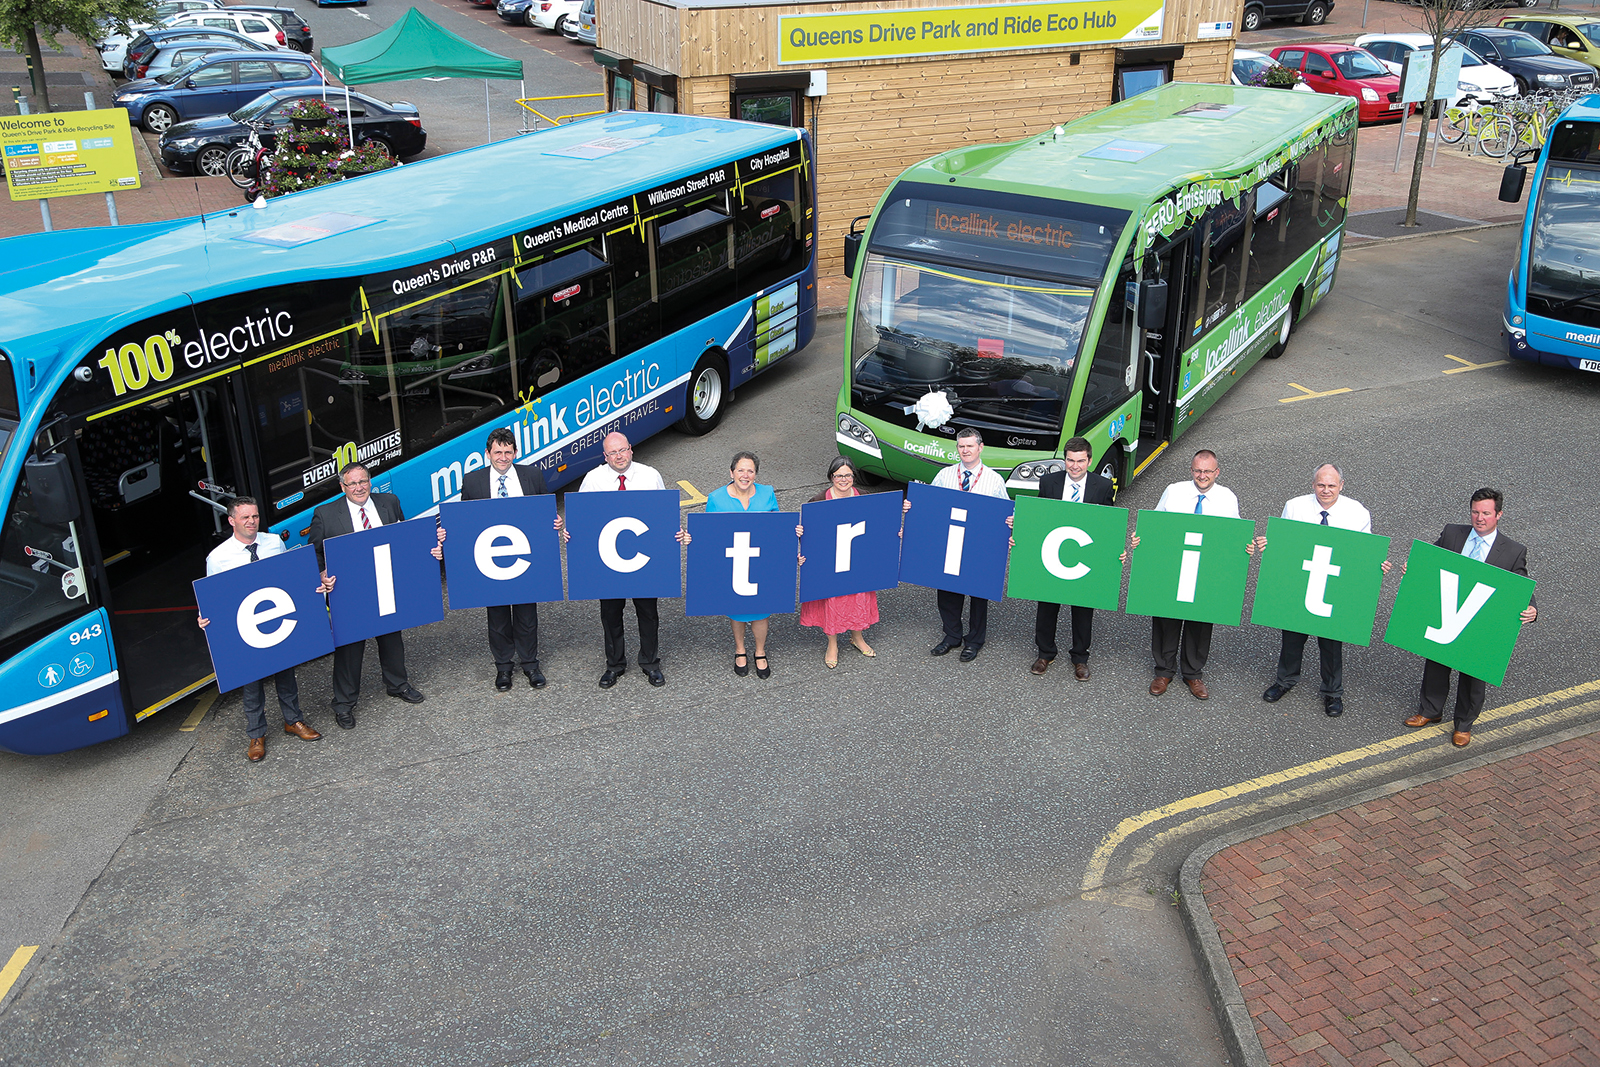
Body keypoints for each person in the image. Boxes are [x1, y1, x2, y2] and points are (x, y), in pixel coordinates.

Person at [308, 462, 443, 729]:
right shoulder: (325, 514)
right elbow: (314, 553)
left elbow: (405, 538)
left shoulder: (389, 502)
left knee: (392, 637)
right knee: (349, 648)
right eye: (352, 484)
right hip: (349, 591)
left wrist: (430, 550)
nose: (359, 488)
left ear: (370, 481)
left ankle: (397, 684)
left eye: (363, 481)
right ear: (342, 486)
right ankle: (344, 704)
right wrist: (321, 574)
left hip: (385, 583)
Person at [197, 497, 330, 762]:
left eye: (255, 516)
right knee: (251, 683)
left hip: (276, 617)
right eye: (245, 517)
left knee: (286, 673)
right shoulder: (218, 558)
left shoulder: (273, 542)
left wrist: (311, 588)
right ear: (231, 520)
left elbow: (288, 577)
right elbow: (214, 598)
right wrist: (205, 618)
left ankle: (294, 721)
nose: (251, 522)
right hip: (245, 627)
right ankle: (256, 734)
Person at [1404, 488, 1537, 748]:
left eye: (1486, 513)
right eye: (1475, 512)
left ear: (1499, 514)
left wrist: (1532, 608)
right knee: (1436, 662)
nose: (1479, 518)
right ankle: (1431, 710)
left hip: (1481, 619)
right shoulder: (1453, 533)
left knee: (1473, 674)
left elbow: (1520, 584)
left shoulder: (1512, 551)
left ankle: (1463, 724)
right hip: (1449, 610)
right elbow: (1432, 560)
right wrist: (1416, 567)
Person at [1261, 464, 1387, 718]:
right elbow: (1285, 541)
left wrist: (1377, 565)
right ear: (1313, 485)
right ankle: (1284, 681)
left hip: (1335, 585)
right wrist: (1269, 544)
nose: (1326, 490)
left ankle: (1332, 693)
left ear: (1342, 485)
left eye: (1331, 485)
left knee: (1331, 643)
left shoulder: (1357, 512)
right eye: (1321, 485)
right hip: (1302, 580)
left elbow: (1364, 551)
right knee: (1292, 635)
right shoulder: (1294, 506)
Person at [1129, 449, 1256, 700]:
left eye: (1208, 471)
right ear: (1191, 470)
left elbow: (1234, 533)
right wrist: (1140, 539)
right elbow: (1156, 522)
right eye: (1198, 470)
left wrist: (1246, 546)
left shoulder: (1227, 498)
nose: (1202, 475)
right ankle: (1163, 671)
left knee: (1200, 618)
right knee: (1166, 617)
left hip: (1205, 568)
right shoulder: (1174, 491)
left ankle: (1193, 674)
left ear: (1216, 472)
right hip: (1173, 564)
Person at [578, 431, 689, 689]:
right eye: (612, 453)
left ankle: (650, 663)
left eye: (622, 450)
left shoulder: (650, 475)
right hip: (608, 561)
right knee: (611, 614)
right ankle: (614, 665)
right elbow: (581, 516)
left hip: (644, 558)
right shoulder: (593, 480)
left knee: (648, 613)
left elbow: (664, 515)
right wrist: (572, 530)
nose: (619, 456)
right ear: (605, 457)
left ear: (631, 449)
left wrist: (674, 531)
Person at [458, 426, 564, 692]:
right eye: (497, 452)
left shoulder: (532, 475)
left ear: (515, 452)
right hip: (490, 557)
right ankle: (504, 667)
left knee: (527, 613)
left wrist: (555, 522)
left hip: (525, 556)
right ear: (487, 454)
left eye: (508, 452)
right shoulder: (473, 482)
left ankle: (530, 664)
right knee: (497, 616)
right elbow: (466, 521)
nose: (503, 457)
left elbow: (543, 512)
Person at [904, 427, 1010, 662]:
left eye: (970, 446)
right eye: (961, 446)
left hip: (978, 545)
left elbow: (1003, 513)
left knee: (978, 593)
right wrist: (913, 509)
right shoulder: (945, 475)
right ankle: (952, 636)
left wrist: (1010, 521)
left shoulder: (994, 480)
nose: (965, 450)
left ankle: (974, 641)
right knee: (947, 590)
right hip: (950, 541)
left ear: (980, 448)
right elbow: (930, 504)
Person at [1030, 437, 1115, 681]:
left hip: (1084, 556)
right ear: (1064, 460)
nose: (1074, 466)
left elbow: (1108, 524)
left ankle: (1080, 658)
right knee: (1047, 606)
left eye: (1080, 461)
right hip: (1054, 553)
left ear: (1089, 460)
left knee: (1082, 609)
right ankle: (1045, 653)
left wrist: (1115, 549)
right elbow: (1041, 519)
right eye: (1070, 460)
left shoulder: (1102, 486)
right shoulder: (1048, 482)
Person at [796, 456, 879, 669]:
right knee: (833, 601)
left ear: (853, 476)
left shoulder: (865, 497)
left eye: (848, 475)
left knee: (856, 597)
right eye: (839, 475)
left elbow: (877, 526)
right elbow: (809, 532)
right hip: (829, 561)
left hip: (857, 560)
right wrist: (800, 533)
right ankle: (832, 643)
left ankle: (857, 637)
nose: (844, 479)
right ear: (831, 477)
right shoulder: (819, 500)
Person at [706, 451, 780, 679]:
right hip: (733, 562)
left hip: (760, 562)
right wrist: (692, 539)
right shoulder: (716, 499)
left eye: (750, 471)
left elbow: (777, 524)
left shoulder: (767, 493)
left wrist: (792, 532)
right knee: (737, 609)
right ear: (731, 472)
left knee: (761, 611)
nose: (745, 475)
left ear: (756, 475)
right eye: (741, 470)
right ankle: (740, 649)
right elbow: (709, 533)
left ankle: (759, 651)